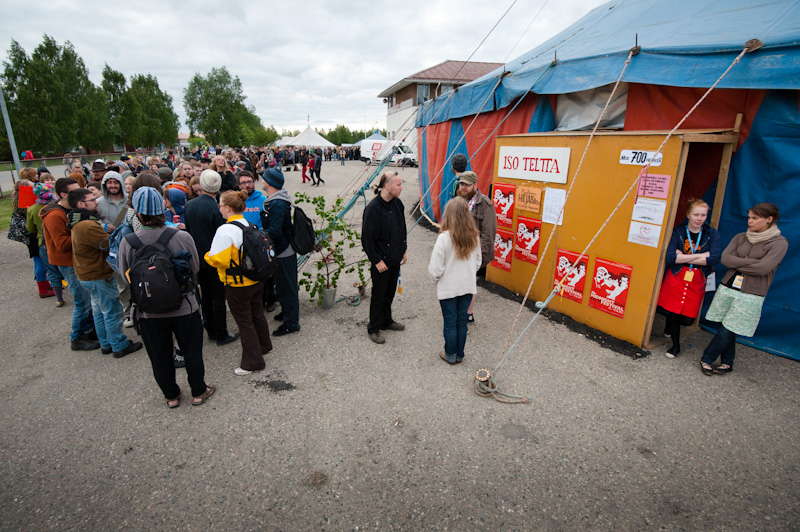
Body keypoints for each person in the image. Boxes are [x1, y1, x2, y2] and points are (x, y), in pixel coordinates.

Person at [118, 187, 215, 408]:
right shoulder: (180, 236)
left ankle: (171, 396)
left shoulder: (129, 242)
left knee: (159, 355)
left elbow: (125, 277)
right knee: (192, 351)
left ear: (138, 213)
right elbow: (194, 267)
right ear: (163, 210)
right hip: (184, 306)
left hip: (148, 311)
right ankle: (199, 391)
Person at [700, 203, 788, 376]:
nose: (750, 221)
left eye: (755, 218)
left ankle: (707, 358)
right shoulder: (741, 237)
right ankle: (727, 362)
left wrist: (739, 262)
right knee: (727, 325)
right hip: (728, 286)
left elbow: (764, 268)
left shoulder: (779, 243)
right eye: (749, 217)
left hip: (751, 293)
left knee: (729, 328)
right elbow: (725, 258)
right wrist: (754, 263)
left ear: (769, 220)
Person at [67, 187, 143, 358]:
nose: (96, 202)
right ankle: (118, 344)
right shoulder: (87, 225)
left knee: (100, 310)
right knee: (111, 311)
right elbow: (107, 246)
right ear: (81, 204)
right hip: (97, 274)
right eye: (92, 200)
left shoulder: (79, 222)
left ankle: (106, 343)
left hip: (88, 274)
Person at [205, 190, 272, 376]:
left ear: (227, 208)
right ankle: (264, 345)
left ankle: (253, 362)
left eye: (220, 206)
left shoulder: (225, 230)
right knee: (257, 313)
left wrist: (207, 256)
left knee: (244, 321)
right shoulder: (248, 224)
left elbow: (219, 260)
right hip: (255, 279)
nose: (219, 209)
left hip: (237, 284)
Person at [656, 199, 721, 358]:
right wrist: (701, 256)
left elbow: (714, 259)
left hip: (698, 278)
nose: (699, 218)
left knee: (687, 319)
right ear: (688, 215)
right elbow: (671, 257)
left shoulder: (712, 233)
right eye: (696, 214)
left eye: (703, 215)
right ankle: (675, 346)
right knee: (673, 312)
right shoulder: (678, 231)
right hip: (678, 275)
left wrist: (684, 256)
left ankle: (669, 327)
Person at [40, 178, 98, 351]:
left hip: (77, 260)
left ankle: (88, 331)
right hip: (67, 263)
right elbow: (62, 244)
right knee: (82, 300)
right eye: (74, 191)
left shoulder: (71, 210)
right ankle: (77, 337)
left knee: (87, 298)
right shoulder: (54, 215)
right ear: (64, 194)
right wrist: (84, 232)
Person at [184, 170, 239, 346]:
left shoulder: (190, 205)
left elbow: (189, 232)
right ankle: (221, 332)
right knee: (218, 297)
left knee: (206, 295)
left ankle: (210, 330)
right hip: (214, 258)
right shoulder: (216, 209)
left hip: (198, 258)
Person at [428, 197, 482, 364]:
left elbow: (435, 268)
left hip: (448, 288)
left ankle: (450, 354)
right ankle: (459, 354)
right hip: (467, 287)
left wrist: (436, 279)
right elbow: (478, 262)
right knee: (461, 321)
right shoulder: (474, 237)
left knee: (450, 322)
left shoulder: (444, 238)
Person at [361, 171, 408, 344]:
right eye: (398, 185)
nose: (401, 188)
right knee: (379, 295)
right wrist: (376, 260)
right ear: (388, 186)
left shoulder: (398, 204)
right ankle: (374, 327)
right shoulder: (373, 209)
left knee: (390, 293)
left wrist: (403, 248)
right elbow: (367, 239)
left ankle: (386, 321)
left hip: (395, 258)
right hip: (381, 261)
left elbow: (401, 228)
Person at [454, 170, 497, 324]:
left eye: (466, 184)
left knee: (470, 283)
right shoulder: (459, 200)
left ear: (475, 185)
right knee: (460, 282)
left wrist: (481, 259)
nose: (463, 187)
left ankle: (468, 314)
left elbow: (488, 233)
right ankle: (461, 311)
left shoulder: (485, 204)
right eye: (461, 184)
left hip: (474, 253)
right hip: (458, 251)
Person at [261, 168, 300, 336]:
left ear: (269, 183)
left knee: (287, 288)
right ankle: (287, 313)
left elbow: (275, 232)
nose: (261, 181)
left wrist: (258, 233)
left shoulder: (277, 204)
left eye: (263, 178)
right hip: (283, 250)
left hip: (283, 251)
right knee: (283, 286)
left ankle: (291, 323)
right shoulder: (276, 199)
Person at [27, 182, 64, 304]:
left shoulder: (32, 209)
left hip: (43, 242)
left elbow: (30, 229)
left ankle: (59, 299)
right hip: (60, 239)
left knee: (51, 270)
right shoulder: (57, 205)